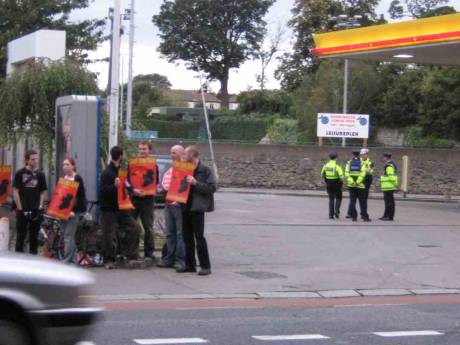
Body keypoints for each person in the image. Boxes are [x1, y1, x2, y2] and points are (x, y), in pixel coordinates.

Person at [100, 146, 140, 269]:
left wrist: (133, 190)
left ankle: (129, 254)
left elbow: (127, 184)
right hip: (109, 209)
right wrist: (114, 186)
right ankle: (109, 260)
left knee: (135, 228)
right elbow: (103, 191)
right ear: (121, 156)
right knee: (109, 234)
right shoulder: (107, 172)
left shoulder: (122, 171)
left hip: (122, 207)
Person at [182, 146, 216, 276]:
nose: (184, 156)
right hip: (185, 206)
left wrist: (196, 183)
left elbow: (212, 188)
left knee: (199, 237)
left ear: (192, 155)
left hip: (197, 208)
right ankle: (190, 265)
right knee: (187, 237)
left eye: (186, 154)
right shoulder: (184, 169)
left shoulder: (205, 170)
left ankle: (205, 266)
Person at [157, 145, 187, 272]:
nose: (171, 155)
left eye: (174, 153)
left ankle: (180, 260)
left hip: (179, 205)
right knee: (170, 233)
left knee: (180, 234)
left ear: (181, 154)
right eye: (171, 152)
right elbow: (166, 184)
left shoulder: (186, 169)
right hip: (168, 204)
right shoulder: (171, 169)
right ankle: (169, 258)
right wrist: (161, 190)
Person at [13, 149, 47, 254]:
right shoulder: (20, 173)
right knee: (20, 236)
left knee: (34, 238)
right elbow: (15, 191)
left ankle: (33, 261)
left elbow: (43, 191)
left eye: (36, 159)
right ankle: (18, 259)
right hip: (22, 209)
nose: (35, 161)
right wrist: (19, 208)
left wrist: (40, 205)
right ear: (27, 160)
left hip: (35, 210)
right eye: (33, 159)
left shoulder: (40, 174)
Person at [128, 141, 158, 261]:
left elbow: (156, 180)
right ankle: (132, 251)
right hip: (135, 198)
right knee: (132, 225)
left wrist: (152, 189)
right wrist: (133, 190)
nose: (142, 151)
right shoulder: (132, 162)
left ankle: (149, 252)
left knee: (148, 226)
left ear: (149, 150)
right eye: (140, 149)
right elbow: (127, 180)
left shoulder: (153, 163)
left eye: (144, 149)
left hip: (148, 199)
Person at [60, 158, 87, 264]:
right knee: (66, 236)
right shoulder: (64, 178)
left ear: (73, 166)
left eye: (67, 164)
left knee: (68, 236)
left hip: (73, 212)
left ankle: (67, 260)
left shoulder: (77, 178)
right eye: (63, 164)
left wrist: (75, 211)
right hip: (63, 211)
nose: (64, 167)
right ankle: (72, 260)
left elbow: (80, 197)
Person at [345, 150, 370, 222]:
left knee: (352, 201)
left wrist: (352, 182)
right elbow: (363, 174)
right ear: (359, 155)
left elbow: (347, 174)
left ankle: (354, 217)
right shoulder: (362, 163)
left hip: (351, 186)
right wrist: (357, 182)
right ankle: (365, 217)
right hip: (360, 186)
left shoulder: (349, 163)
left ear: (352, 155)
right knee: (363, 202)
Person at [320, 152, 343, 219]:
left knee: (331, 199)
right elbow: (341, 176)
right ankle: (336, 211)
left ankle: (331, 215)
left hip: (329, 184)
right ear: (336, 158)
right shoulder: (337, 166)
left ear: (329, 158)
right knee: (339, 197)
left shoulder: (325, 166)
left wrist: (327, 179)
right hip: (337, 183)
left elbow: (322, 174)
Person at [379, 153, 399, 221]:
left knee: (388, 203)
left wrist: (393, 184)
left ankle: (388, 216)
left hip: (388, 187)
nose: (383, 159)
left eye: (383, 157)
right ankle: (387, 215)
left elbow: (391, 176)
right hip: (389, 187)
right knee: (390, 202)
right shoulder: (392, 164)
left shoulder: (389, 166)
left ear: (386, 158)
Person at [360, 148, 374, 219]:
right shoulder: (359, 161)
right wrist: (365, 170)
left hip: (366, 180)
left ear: (367, 154)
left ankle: (363, 213)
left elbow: (370, 171)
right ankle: (361, 213)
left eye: (364, 154)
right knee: (358, 198)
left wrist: (362, 170)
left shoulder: (370, 162)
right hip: (360, 180)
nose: (362, 156)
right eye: (361, 154)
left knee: (364, 198)